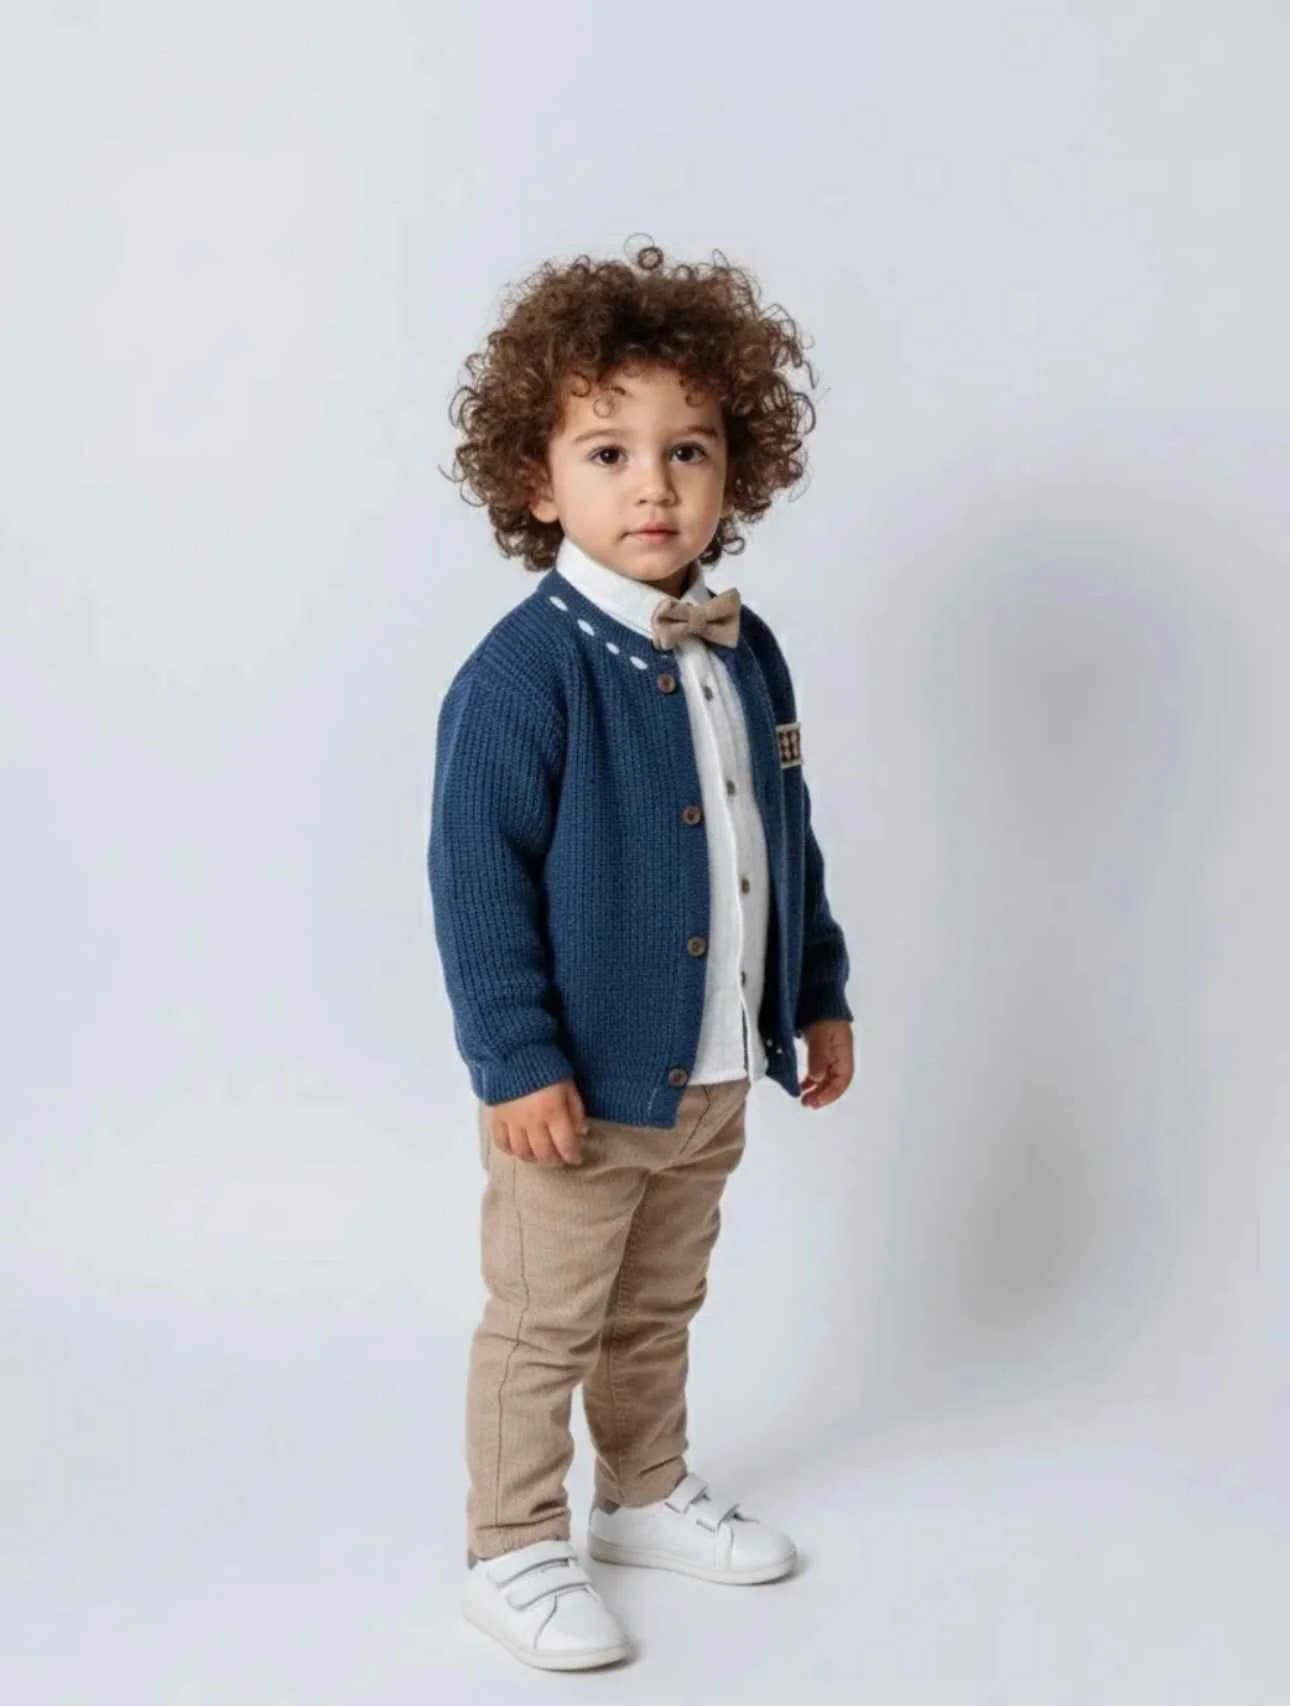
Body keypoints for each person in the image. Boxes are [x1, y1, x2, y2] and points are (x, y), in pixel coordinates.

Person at [426, 238, 855, 1672]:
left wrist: (816, 991)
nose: (654, 485)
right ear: (538, 480)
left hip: (714, 1067)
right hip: (578, 1088)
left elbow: (783, 836)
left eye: (689, 450)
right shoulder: (523, 673)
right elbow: (473, 884)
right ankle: (510, 1545)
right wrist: (515, 1059)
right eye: (608, 452)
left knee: (659, 1303)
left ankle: (643, 1490)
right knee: (545, 1319)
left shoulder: (747, 647)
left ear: (738, 469)